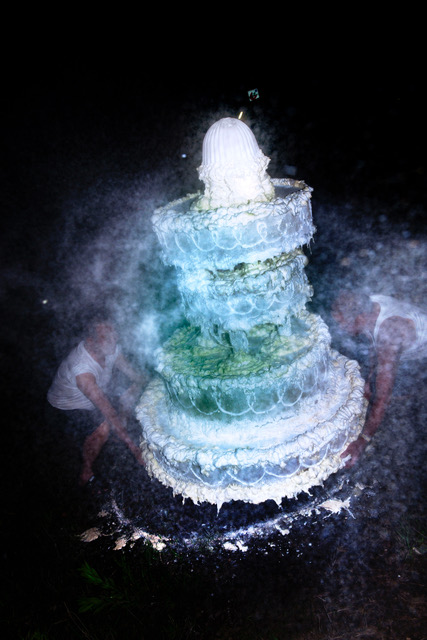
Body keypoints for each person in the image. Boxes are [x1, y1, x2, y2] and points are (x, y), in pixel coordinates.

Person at [332, 291, 427, 467]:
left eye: (341, 323)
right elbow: (372, 339)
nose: (339, 328)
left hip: (418, 350)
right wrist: (368, 383)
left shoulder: (390, 334)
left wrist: (363, 439)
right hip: (402, 339)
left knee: (392, 392)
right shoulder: (372, 302)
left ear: (359, 318)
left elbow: (383, 396)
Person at [47, 317, 146, 485]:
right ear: (91, 341)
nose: (114, 339)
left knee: (129, 390)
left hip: (96, 393)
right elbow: (108, 412)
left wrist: (156, 382)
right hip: (66, 407)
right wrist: (134, 448)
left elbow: (134, 375)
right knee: (104, 425)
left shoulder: (111, 348)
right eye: (107, 337)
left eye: (114, 334)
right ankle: (86, 471)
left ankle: (119, 433)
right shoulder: (82, 370)